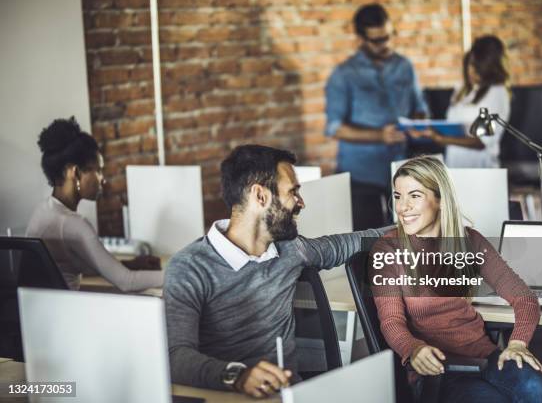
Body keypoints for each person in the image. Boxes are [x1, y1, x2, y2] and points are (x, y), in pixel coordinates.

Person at [164, 145, 389, 398]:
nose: (301, 203)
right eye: (293, 192)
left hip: (290, 395)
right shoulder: (189, 267)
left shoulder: (292, 249)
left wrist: (414, 228)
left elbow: (352, 242)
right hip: (229, 396)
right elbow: (176, 356)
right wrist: (238, 376)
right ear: (260, 196)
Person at [373, 156, 542, 402]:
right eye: (398, 196)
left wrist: (518, 343)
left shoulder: (469, 241)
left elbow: (525, 299)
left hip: (485, 358)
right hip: (439, 371)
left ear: (441, 200)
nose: (402, 207)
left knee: (533, 385)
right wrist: (412, 349)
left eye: (414, 196)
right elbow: (391, 320)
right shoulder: (388, 249)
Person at [26, 117, 163, 292]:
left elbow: (80, 265)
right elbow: (128, 282)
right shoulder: (73, 224)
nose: (103, 179)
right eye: (98, 170)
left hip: (47, 313)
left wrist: (131, 264)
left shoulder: (43, 211)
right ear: (75, 172)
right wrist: (180, 273)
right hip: (68, 314)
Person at [325, 3, 429, 230]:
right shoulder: (344, 74)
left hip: (402, 171)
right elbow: (335, 128)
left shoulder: (405, 66)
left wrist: (418, 123)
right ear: (361, 39)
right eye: (379, 40)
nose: (388, 44)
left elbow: (419, 107)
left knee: (406, 242)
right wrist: (379, 135)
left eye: (390, 36)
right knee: (366, 246)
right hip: (360, 176)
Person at [411, 35, 511, 168]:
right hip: (454, 165)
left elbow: (483, 142)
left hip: (481, 170)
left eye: (477, 67)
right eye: (471, 64)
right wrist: (428, 130)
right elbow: (452, 125)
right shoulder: (461, 89)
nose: (471, 71)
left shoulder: (497, 92)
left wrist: (442, 139)